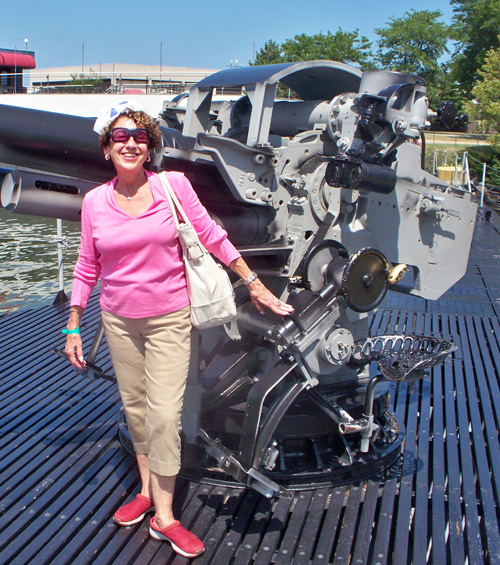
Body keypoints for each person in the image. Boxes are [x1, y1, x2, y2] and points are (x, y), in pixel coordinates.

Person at [64, 101, 293, 559]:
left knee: (165, 415)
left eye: (140, 137)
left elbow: (212, 235)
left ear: (149, 148)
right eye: (121, 137)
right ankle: (146, 490)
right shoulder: (94, 202)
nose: (131, 143)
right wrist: (74, 325)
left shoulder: (174, 186)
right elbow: (88, 265)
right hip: (118, 321)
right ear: (107, 148)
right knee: (136, 411)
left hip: (170, 318)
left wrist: (255, 284)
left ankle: (164, 517)